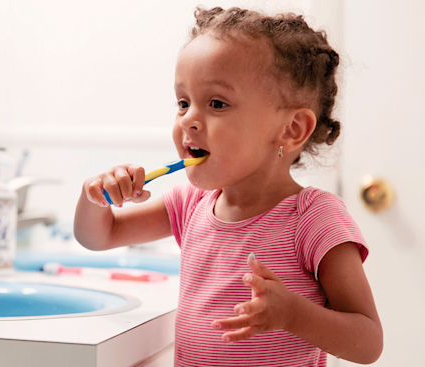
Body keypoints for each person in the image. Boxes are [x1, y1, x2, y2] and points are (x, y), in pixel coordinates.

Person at [74, 6, 383, 366]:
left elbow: (368, 342)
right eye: (183, 102)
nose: (188, 119)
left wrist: (293, 314)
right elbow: (99, 236)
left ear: (292, 129)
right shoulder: (191, 203)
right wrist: (94, 196)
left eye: (216, 103)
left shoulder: (313, 218)